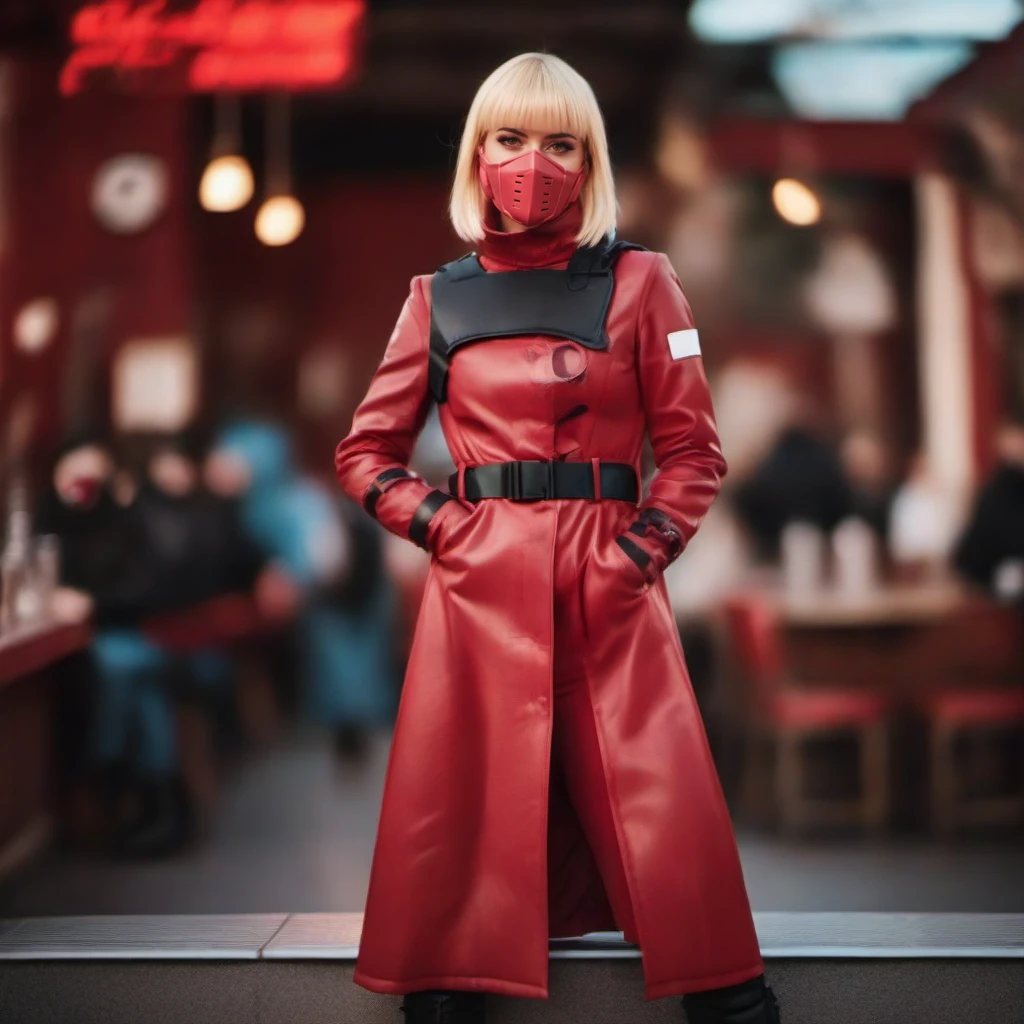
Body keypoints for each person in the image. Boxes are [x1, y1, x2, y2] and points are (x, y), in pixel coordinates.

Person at [334, 53, 779, 1024]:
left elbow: (695, 453)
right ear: (475, 153)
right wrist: (448, 528)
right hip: (480, 583)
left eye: (559, 143)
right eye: (509, 139)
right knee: (465, 808)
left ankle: (725, 989)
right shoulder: (434, 298)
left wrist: (638, 553)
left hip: (609, 579)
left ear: (590, 160)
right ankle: (454, 976)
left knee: (660, 800)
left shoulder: (645, 282)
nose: (531, 164)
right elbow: (365, 453)